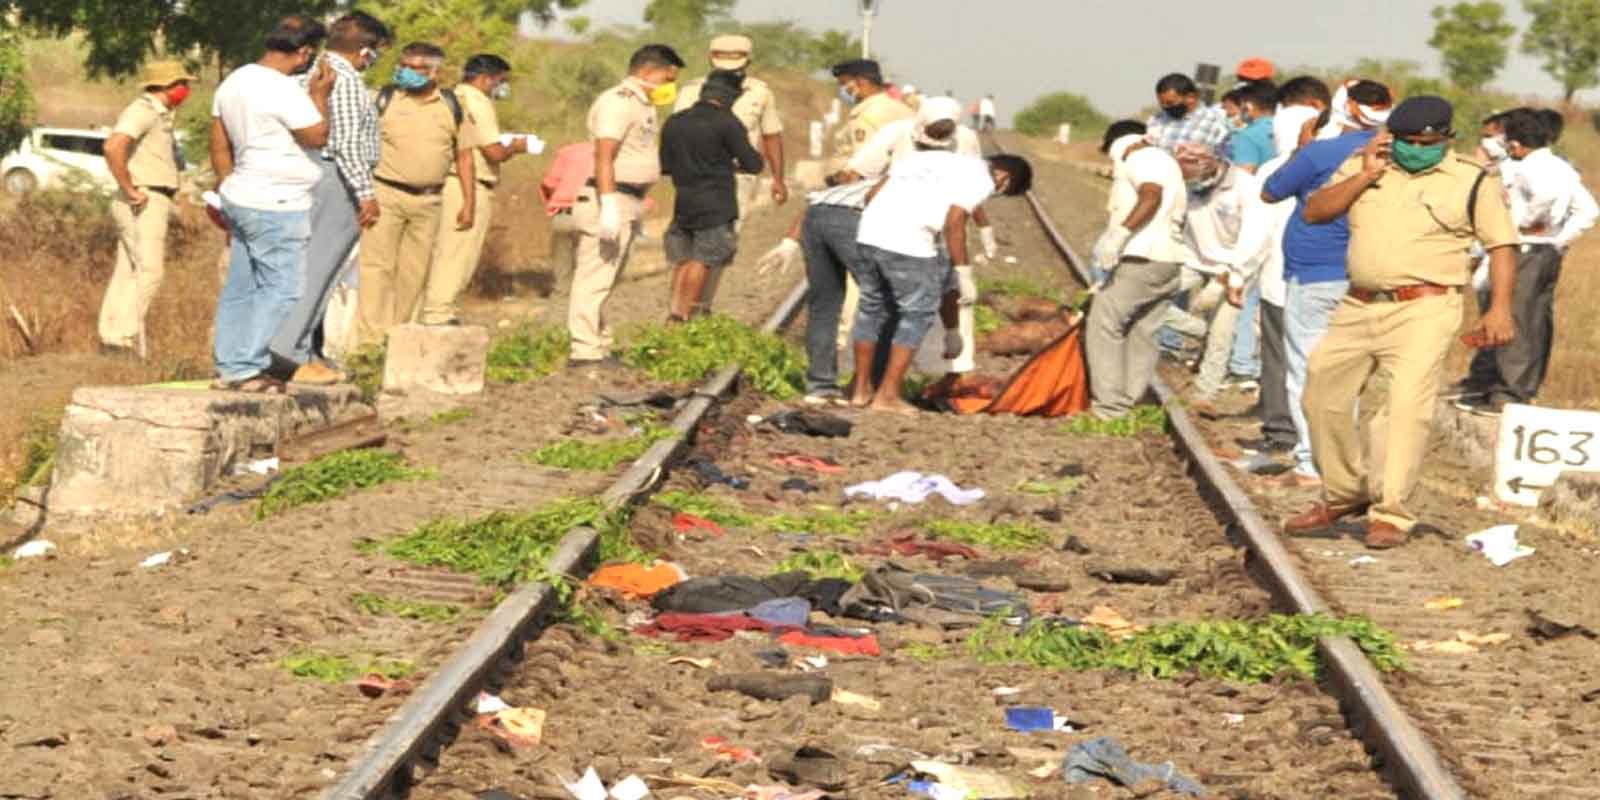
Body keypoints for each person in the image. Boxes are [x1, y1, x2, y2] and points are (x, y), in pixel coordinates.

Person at [1288, 96, 1518, 548]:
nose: (1416, 149)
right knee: (1321, 393)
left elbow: (1502, 246)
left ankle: (1391, 513)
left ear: (1447, 139)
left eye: (1427, 143)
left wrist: (1500, 308)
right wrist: (1365, 175)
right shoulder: (1364, 166)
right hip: (1357, 304)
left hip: (1425, 306)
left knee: (1406, 406)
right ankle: (1344, 493)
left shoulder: (1472, 179)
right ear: (1389, 137)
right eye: (1407, 141)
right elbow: (1314, 212)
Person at [1261, 78, 1391, 487]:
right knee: (1347, 375)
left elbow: (1271, 191)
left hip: (1316, 274)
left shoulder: (1321, 152)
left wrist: (1302, 149)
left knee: (1307, 370)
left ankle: (1311, 463)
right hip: (1367, 276)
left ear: (1346, 107)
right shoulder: (1394, 154)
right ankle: (1340, 462)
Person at [850, 151, 1032, 413]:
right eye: (1002, 190)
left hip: (868, 235)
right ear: (1005, 177)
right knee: (917, 314)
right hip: (908, 244)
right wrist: (963, 273)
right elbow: (954, 222)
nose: (995, 192)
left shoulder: (923, 158)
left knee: (871, 311)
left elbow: (871, 195)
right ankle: (887, 395)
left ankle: (860, 391)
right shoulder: (981, 177)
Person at [264, 11, 389, 385]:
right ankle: (288, 352)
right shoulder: (343, 80)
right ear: (365, 50)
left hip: (319, 176)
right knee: (318, 268)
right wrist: (365, 193)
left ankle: (304, 349)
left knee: (318, 269)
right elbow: (344, 144)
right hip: (337, 180)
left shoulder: (312, 71)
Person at [209, 15, 333, 392]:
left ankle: (231, 365)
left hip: (243, 195)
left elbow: (218, 142)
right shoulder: (282, 88)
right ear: (304, 52)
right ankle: (247, 366)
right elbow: (316, 136)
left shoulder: (234, 81)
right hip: (278, 203)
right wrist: (320, 95)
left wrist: (228, 187)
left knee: (243, 288)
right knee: (283, 288)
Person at [1454, 109, 1597, 413]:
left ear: (1515, 143)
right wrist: (1558, 240)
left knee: (1515, 321)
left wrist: (1525, 223)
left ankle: (1509, 393)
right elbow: (1589, 210)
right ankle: (1493, 385)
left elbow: (1544, 197)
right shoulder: (1560, 167)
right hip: (1541, 250)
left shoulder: (1530, 169)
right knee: (1528, 321)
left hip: (1526, 250)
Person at [354, 42, 483, 347]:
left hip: (430, 201)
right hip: (385, 194)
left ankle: (397, 338)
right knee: (376, 269)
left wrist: (469, 203)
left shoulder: (452, 105)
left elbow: (464, 156)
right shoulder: (384, 100)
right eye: (403, 66)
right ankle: (368, 343)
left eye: (415, 68)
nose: (406, 72)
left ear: (434, 72)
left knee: (414, 272)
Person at [568, 43, 684, 368]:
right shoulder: (618, 103)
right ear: (648, 71)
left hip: (627, 199)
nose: (668, 86)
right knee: (594, 279)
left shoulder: (641, 104)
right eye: (666, 78)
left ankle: (598, 343)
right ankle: (584, 350)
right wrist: (607, 204)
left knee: (606, 279)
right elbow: (604, 155)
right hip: (609, 197)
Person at [1085, 120, 1189, 420]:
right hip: (1168, 260)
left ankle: (1109, 408)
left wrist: (1119, 235)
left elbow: (1150, 195)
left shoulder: (1141, 158)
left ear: (1117, 144)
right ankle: (1129, 400)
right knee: (1143, 330)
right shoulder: (1164, 161)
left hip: (1143, 257)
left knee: (1104, 323)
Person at [418, 53, 532, 326]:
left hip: (449, 182)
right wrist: (516, 147)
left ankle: (431, 308)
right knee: (458, 251)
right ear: (485, 79)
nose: (501, 88)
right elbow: (493, 152)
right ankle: (438, 312)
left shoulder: (451, 96)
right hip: (468, 184)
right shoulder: (477, 102)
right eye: (500, 81)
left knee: (444, 249)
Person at [1238, 101, 1325, 455]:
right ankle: (1317, 438)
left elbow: (1257, 233)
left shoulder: (1275, 170)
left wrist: (1238, 274)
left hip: (1280, 280)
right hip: (1327, 281)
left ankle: (1281, 432)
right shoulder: (1340, 164)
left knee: (1278, 360)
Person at [98, 60, 195, 358]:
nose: (186, 90)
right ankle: (122, 335)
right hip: (144, 197)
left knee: (129, 269)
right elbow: (113, 146)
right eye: (182, 84)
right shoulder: (143, 111)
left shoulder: (162, 115)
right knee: (150, 270)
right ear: (167, 85)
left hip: (149, 196)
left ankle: (111, 336)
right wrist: (130, 188)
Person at [660, 69, 765, 321]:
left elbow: (666, 166)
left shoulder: (675, 121)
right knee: (703, 260)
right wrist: (727, 164)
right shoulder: (727, 122)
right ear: (730, 97)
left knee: (683, 261)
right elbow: (753, 164)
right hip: (716, 204)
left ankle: (674, 314)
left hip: (683, 201)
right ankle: (686, 316)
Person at [1175, 146, 1273, 411]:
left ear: (1211, 165)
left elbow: (1256, 237)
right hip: (1191, 258)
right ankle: (1199, 330)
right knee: (1150, 298)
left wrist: (1235, 275)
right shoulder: (1186, 183)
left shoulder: (1246, 187)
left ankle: (1204, 395)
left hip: (1236, 265)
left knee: (1222, 331)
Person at [673, 35, 787, 218]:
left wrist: (778, 179)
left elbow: (771, 136)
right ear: (710, 59)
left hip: (739, 177)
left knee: (730, 229)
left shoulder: (759, 92)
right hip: (697, 177)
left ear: (748, 61)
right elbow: (678, 134)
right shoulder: (691, 90)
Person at [539, 141, 595, 298]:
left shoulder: (568, 151)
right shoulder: (613, 152)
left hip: (564, 211)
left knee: (562, 255)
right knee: (590, 257)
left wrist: (552, 203)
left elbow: (549, 184)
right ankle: (585, 292)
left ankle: (561, 290)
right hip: (593, 210)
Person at [1146, 73, 1231, 153]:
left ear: (1191, 97)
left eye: (1170, 103)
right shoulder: (1157, 120)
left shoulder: (1215, 122)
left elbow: (1224, 156)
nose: (1165, 107)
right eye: (1162, 103)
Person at [1229, 80, 1277, 172]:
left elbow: (1244, 174)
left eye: (1241, 104)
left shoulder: (1248, 135)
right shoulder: (1287, 128)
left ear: (1248, 106)